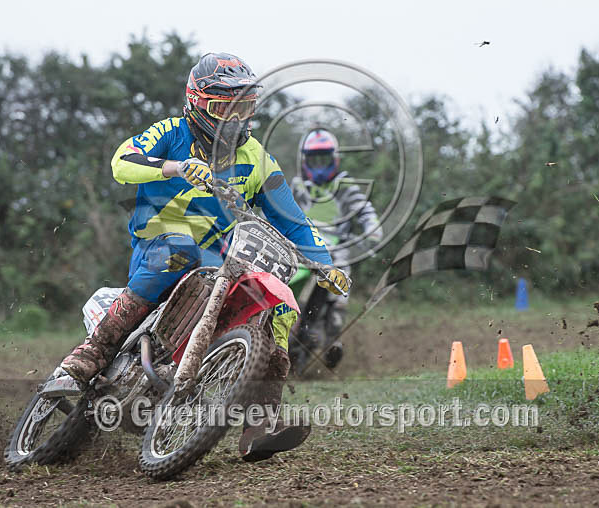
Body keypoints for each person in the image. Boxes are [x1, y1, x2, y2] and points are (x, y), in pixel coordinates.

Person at [59, 53, 349, 461]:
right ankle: (90, 355)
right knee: (177, 251)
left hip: (225, 253)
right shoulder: (172, 132)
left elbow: (294, 219)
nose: (235, 118)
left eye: (244, 107)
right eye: (224, 107)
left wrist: (325, 263)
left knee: (280, 303)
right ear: (197, 103)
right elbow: (121, 162)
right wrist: (175, 168)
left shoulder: (258, 159)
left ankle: (259, 423)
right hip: (159, 240)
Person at [289, 129, 381, 369]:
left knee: (340, 288)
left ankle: (332, 340)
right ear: (304, 161)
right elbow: (279, 208)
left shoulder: (345, 186)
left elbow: (364, 208)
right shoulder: (298, 187)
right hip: (301, 247)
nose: (319, 166)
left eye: (325, 159)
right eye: (314, 159)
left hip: (336, 247)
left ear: (335, 159)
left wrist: (372, 228)